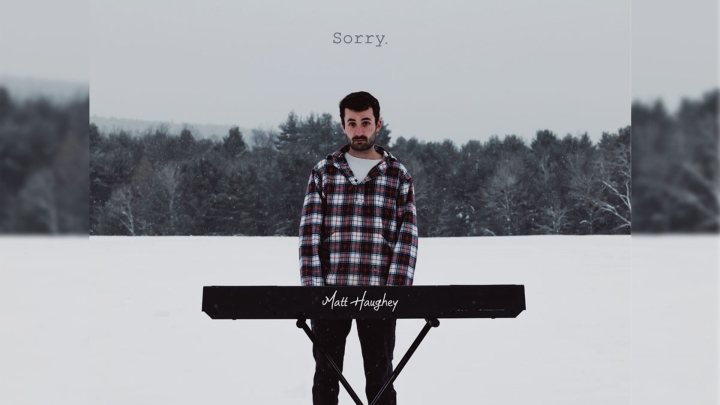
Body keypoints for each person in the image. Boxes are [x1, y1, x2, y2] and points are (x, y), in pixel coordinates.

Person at [299, 91, 419, 405]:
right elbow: (309, 236)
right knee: (326, 377)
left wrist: (396, 294)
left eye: (365, 122)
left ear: (377, 123)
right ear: (343, 126)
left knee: (380, 379)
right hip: (330, 294)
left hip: (379, 295)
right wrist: (314, 294)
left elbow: (407, 237)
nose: (359, 130)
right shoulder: (324, 172)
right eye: (352, 123)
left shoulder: (397, 175)